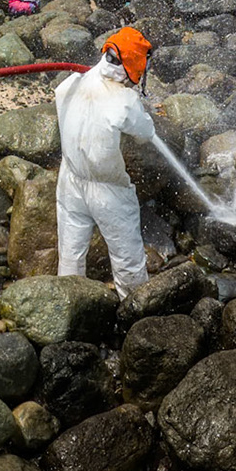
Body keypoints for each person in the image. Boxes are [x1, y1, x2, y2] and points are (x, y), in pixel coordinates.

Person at [56, 27, 158, 296]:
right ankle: (134, 312)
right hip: (108, 190)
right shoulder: (124, 101)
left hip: (70, 179)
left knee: (70, 253)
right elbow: (146, 133)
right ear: (135, 64)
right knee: (127, 258)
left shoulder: (71, 82)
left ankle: (70, 303)